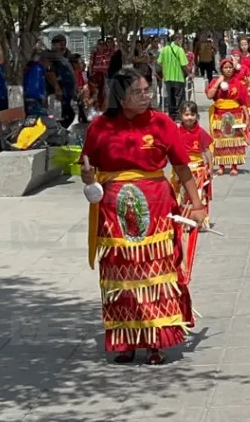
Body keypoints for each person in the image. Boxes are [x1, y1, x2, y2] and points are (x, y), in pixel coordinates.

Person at [81, 68, 206, 365]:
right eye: (138, 92)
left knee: (154, 272)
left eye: (148, 90)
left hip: (156, 204)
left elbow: (181, 167)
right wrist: (87, 177)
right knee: (120, 273)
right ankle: (125, 341)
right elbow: (88, 169)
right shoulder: (100, 126)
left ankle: (156, 342)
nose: (146, 96)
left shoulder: (162, 123)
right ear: (121, 98)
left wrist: (197, 205)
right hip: (114, 211)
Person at [174, 100, 215, 277]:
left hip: (197, 168)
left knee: (198, 196)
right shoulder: (176, 132)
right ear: (181, 116)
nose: (189, 118)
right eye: (185, 114)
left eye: (191, 114)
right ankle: (183, 221)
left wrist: (210, 166)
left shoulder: (200, 132)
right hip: (182, 167)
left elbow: (206, 150)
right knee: (181, 197)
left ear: (196, 116)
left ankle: (200, 221)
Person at [206, 58, 249, 175]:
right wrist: (218, 82)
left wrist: (247, 118)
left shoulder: (238, 83)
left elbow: (244, 102)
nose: (228, 69)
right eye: (226, 67)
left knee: (234, 140)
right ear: (221, 69)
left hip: (235, 114)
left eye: (230, 67)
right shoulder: (216, 81)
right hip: (219, 115)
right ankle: (221, 165)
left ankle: (234, 166)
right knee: (220, 141)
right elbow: (209, 96)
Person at [158, 32, 190, 121]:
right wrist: (189, 73)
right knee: (179, 98)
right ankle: (179, 116)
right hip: (178, 77)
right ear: (178, 39)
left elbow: (159, 62)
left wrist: (167, 67)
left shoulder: (164, 49)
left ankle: (171, 116)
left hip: (167, 77)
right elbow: (184, 64)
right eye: (181, 39)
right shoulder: (180, 50)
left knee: (170, 97)